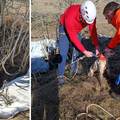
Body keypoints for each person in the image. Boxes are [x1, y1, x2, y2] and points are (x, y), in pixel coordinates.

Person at [58, 1, 100, 86]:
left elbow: (93, 31)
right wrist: (85, 51)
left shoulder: (91, 16)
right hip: (65, 28)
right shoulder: (70, 17)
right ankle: (61, 76)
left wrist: (97, 46)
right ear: (82, 14)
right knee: (63, 52)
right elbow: (73, 38)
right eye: (86, 21)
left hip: (76, 29)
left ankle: (74, 68)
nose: (88, 24)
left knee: (77, 50)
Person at [103, 1, 120, 101]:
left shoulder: (119, 17)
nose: (108, 22)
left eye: (107, 18)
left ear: (110, 12)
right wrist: (108, 48)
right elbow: (118, 36)